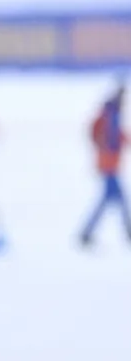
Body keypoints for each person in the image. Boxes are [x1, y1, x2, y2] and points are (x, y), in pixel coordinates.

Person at [80, 82, 130, 246]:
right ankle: (87, 232)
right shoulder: (111, 114)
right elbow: (114, 139)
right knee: (116, 200)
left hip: (108, 164)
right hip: (109, 165)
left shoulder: (109, 112)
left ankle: (87, 232)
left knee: (111, 200)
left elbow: (116, 137)